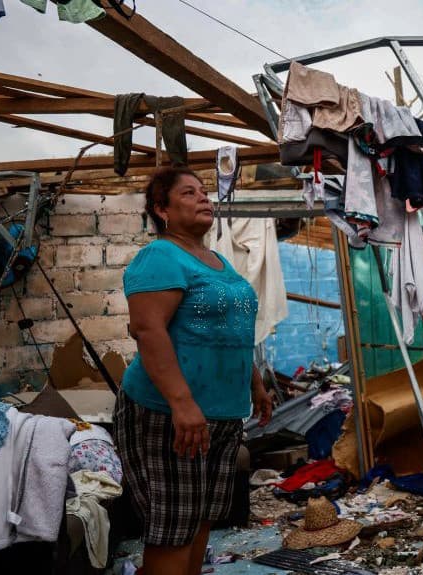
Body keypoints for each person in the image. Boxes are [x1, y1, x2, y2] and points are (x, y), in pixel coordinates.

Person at [113, 166, 273, 575]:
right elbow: (148, 331)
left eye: (204, 191)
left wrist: (255, 385)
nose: (204, 197)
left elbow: (234, 331)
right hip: (169, 413)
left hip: (219, 415)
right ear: (161, 209)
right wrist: (182, 404)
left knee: (200, 516)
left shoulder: (218, 260)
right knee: (173, 527)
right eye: (189, 193)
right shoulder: (160, 255)